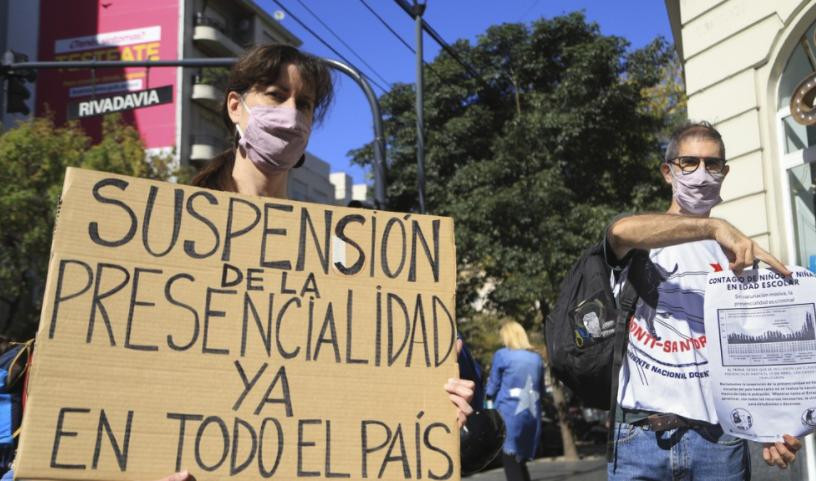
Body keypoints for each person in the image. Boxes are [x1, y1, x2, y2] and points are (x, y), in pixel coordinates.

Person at [135, 43, 473, 481]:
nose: (292, 114)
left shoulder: (338, 248)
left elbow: (349, 373)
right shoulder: (173, 230)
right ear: (235, 107)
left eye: (305, 104)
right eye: (276, 96)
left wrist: (426, 403)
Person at [605, 121, 801, 480]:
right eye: (688, 163)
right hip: (639, 440)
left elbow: (752, 351)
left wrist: (771, 425)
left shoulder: (741, 256)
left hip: (719, 442)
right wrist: (712, 226)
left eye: (713, 165)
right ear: (668, 172)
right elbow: (618, 231)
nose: (701, 173)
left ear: (724, 174)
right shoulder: (641, 239)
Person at [485, 321, 545, 481]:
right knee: (520, 462)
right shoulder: (537, 359)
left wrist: (486, 398)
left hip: (509, 415)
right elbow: (542, 391)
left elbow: (492, 387)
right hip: (531, 415)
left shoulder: (503, 355)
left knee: (510, 462)